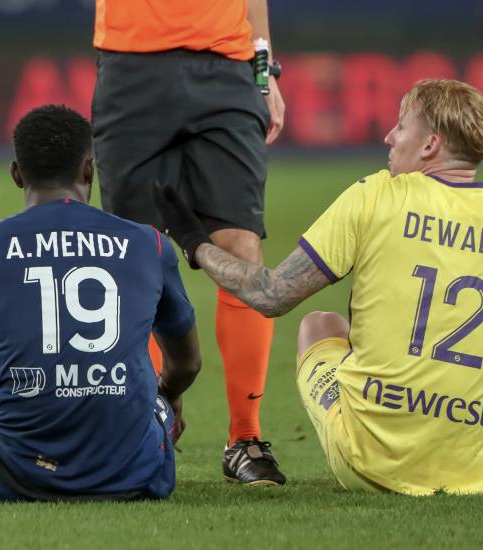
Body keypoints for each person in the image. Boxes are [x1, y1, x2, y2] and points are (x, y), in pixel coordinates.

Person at [154, 79, 483, 495]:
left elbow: (270, 295)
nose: (389, 137)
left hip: (365, 462)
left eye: (401, 127)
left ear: (430, 144)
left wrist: (196, 242)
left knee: (320, 324)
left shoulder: (375, 198)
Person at [0, 105, 202, 503]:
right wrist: (166, 397)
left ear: (16, 173)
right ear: (89, 170)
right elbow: (186, 364)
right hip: (136, 472)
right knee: (151, 404)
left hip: (14, 473)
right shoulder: (149, 243)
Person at [91, 0, 287, 485]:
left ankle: (245, 436)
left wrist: (264, 71)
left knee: (242, 246)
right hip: (130, 63)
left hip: (226, 66)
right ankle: (142, 426)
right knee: (133, 254)